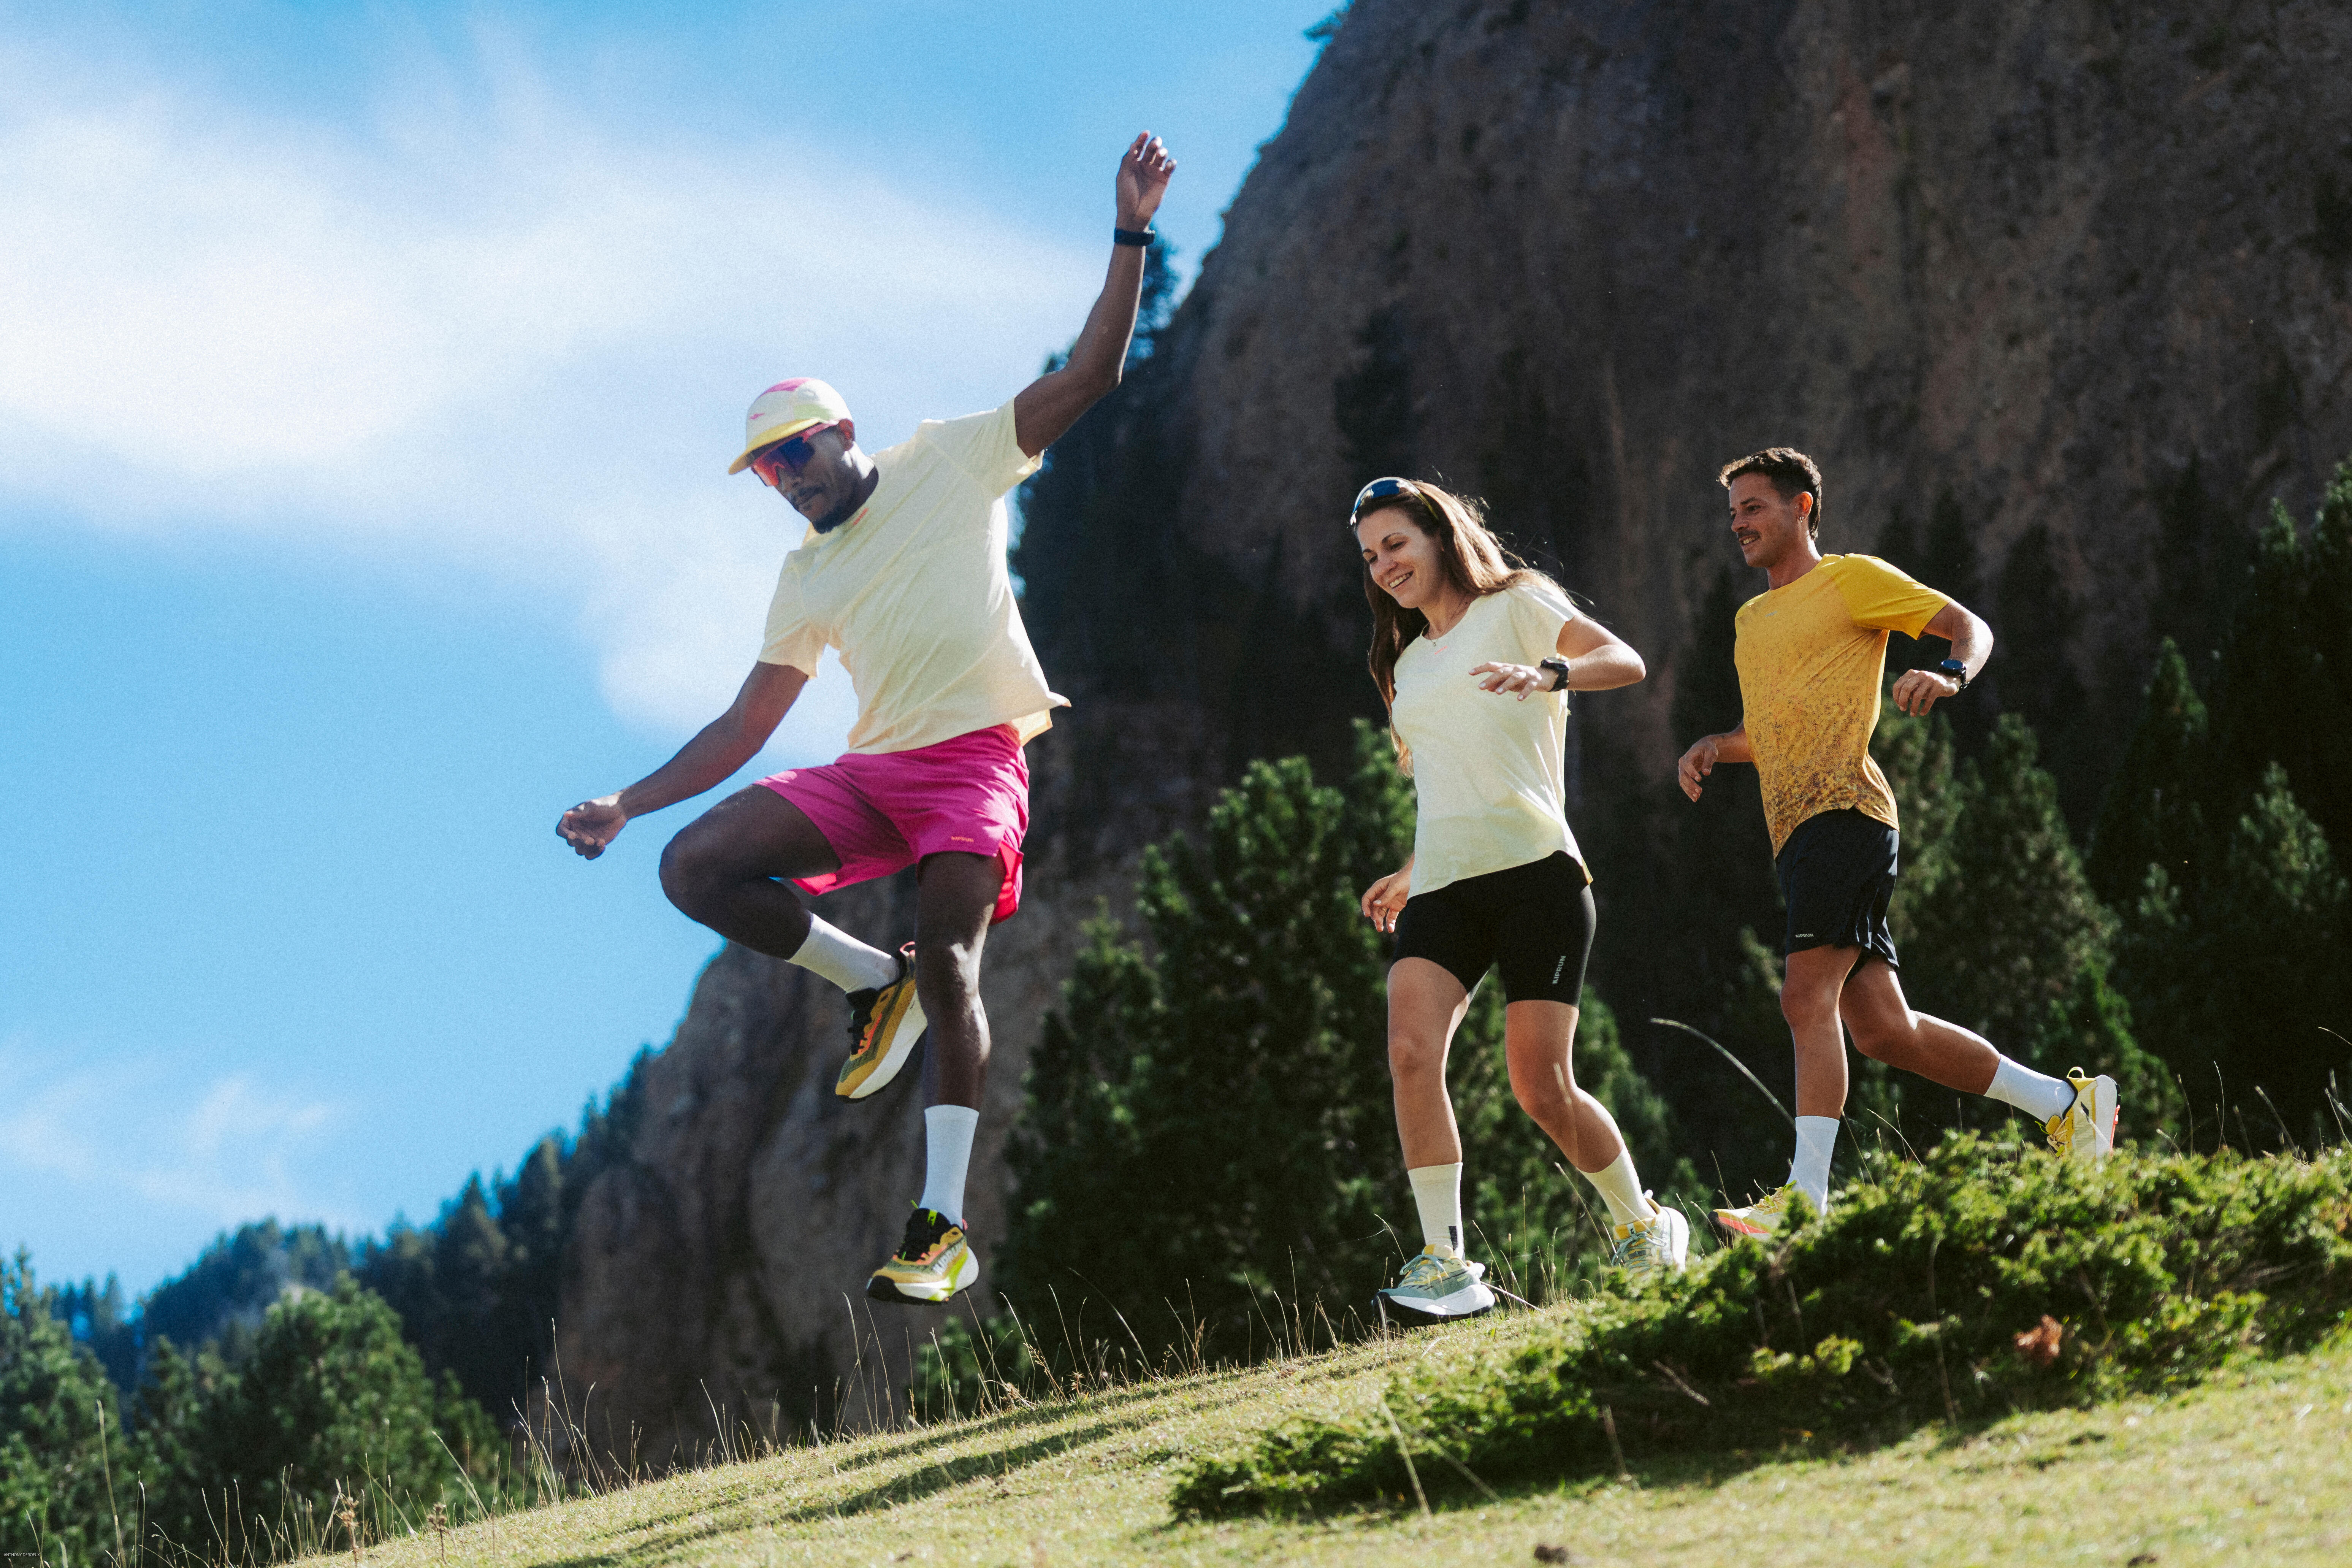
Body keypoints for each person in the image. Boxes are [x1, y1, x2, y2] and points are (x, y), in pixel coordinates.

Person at [556, 133, 1178, 1306]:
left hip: (974, 764)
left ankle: (941, 1228)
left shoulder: (950, 460)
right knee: (692, 866)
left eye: (794, 452)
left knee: (951, 960)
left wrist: (1129, 230)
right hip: (874, 773)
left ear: (842, 433)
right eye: (765, 472)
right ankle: (863, 981)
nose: (786, 479)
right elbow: (745, 726)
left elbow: (1093, 374)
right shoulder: (805, 576)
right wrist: (628, 802)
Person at [1676, 448, 2117, 1237]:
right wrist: (1717, 744)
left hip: (1847, 813)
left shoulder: (1851, 580)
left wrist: (1949, 673)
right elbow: (1771, 728)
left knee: (1803, 998)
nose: (1737, 523)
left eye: (1753, 506)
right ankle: (2065, 1104)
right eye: (1733, 511)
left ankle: (1804, 1202)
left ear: (1803, 507)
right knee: (1884, 1030)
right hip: (1797, 833)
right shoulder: (1749, 622)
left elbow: (1968, 626)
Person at [1349, 477, 1688, 1325]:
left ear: (1438, 534)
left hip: (1537, 874)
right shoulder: (1403, 664)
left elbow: (1626, 661)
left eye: (1396, 543)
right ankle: (1447, 1263)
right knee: (1410, 1050)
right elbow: (1448, 779)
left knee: (1541, 1086)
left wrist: (1547, 674)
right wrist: (1414, 865)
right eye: (1370, 556)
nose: (1384, 565)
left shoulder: (1520, 604)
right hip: (1445, 886)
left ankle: (1642, 1224)